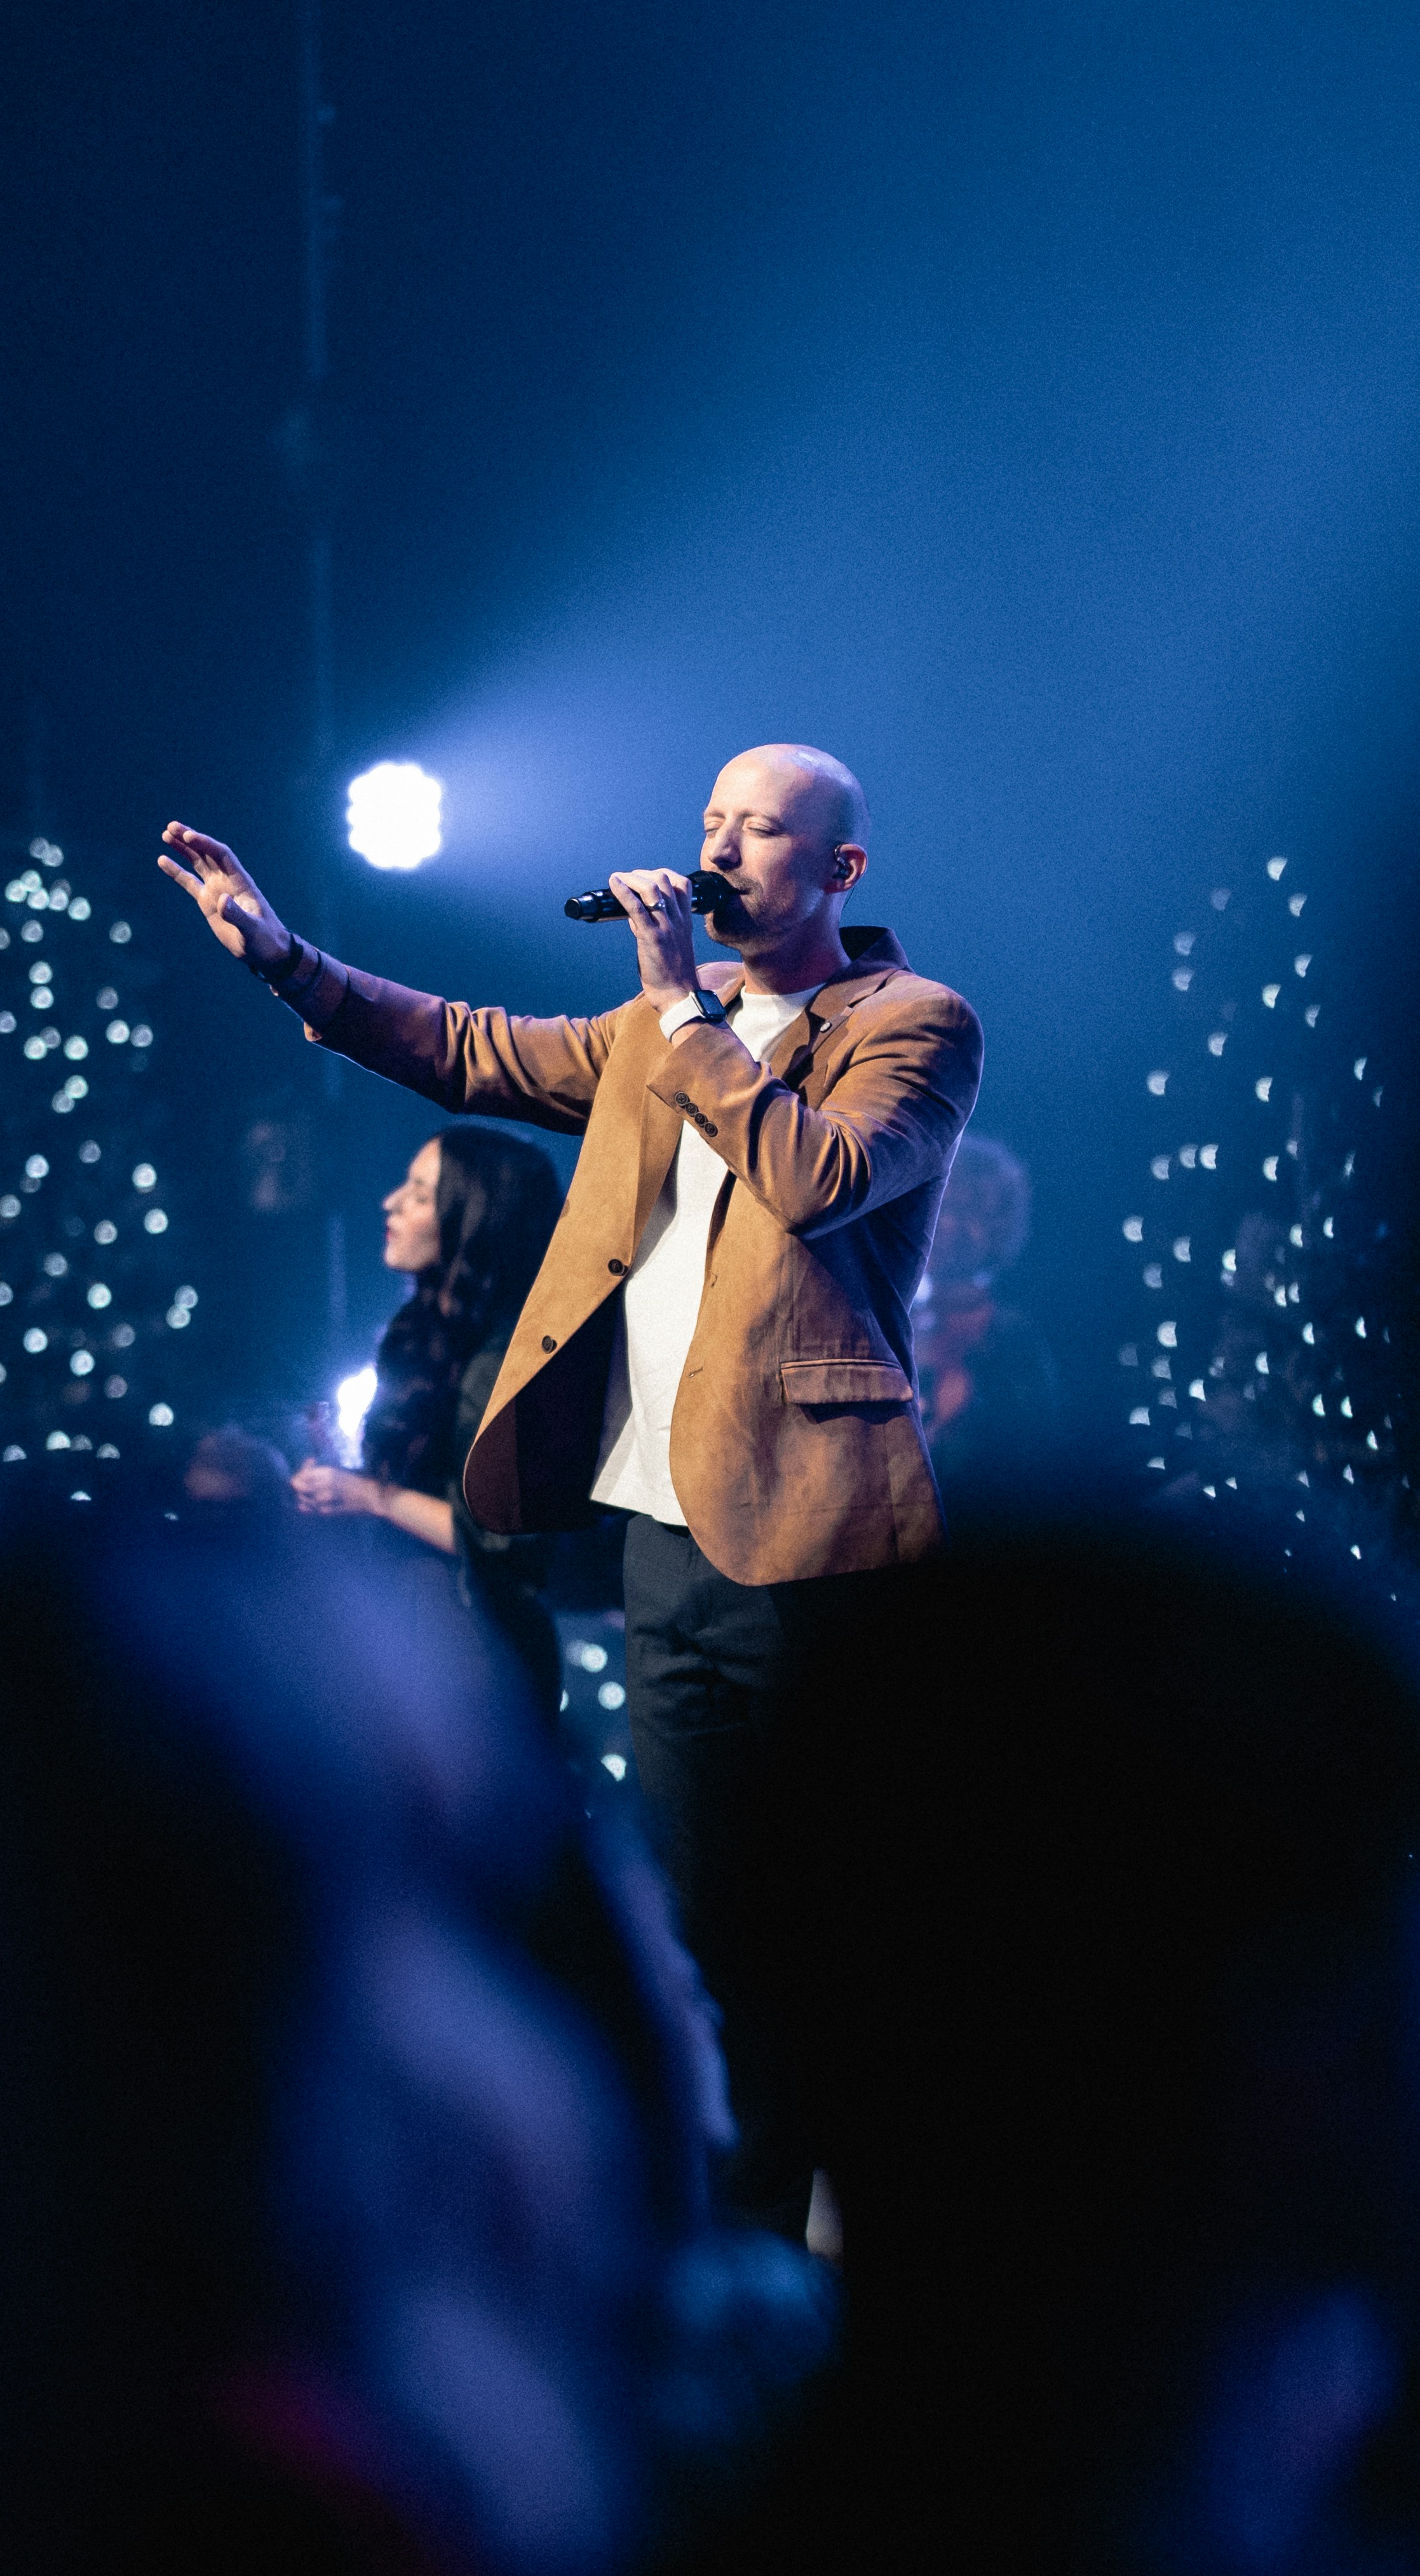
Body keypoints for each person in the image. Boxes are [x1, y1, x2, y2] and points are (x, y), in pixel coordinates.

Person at [160, 746, 982, 2232]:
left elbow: (812, 1180)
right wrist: (286, 960)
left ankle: (896, 2241)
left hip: (813, 1530)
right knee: (696, 1925)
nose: (719, 849)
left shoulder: (908, 1024)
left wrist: (679, 1008)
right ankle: (738, 2255)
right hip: (664, 1532)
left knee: (833, 1919)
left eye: (760, 830)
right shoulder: (661, 1025)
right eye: (711, 820)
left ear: (838, 870)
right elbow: (469, 1048)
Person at [288, 1119, 565, 1716]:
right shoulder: (422, 1333)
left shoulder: (504, 1362)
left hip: (471, 1656)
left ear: (474, 1220)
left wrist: (370, 1496)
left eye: (419, 1195)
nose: (390, 1203)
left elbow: (503, 1543)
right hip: (409, 1636)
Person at [913, 1128, 1059, 1512]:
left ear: (999, 1227)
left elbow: (1028, 1462)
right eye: (940, 1206)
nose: (946, 1225)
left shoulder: (1014, 1340)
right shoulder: (885, 1310)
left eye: (967, 1213)